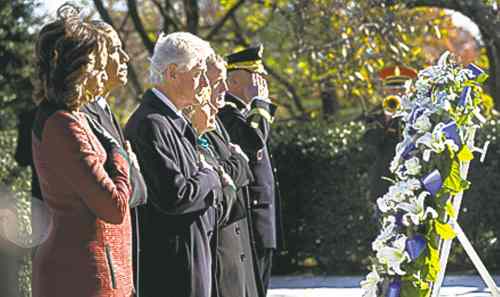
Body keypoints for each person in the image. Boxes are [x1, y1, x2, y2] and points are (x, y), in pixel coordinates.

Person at [31, 7, 134, 297]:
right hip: (82, 276)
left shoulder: (76, 117)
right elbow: (114, 207)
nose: (104, 70)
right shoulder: (62, 126)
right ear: (80, 67)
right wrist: (120, 155)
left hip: (102, 271)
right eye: (99, 61)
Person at [125, 32, 221, 297]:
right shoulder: (151, 124)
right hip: (173, 270)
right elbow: (175, 197)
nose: (204, 83)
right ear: (172, 73)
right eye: (198, 72)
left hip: (191, 258)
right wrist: (210, 175)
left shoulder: (170, 120)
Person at [80, 20, 148, 296]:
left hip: (122, 259)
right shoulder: (82, 113)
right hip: (102, 263)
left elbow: (141, 190)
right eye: (116, 51)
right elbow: (116, 195)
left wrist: (130, 170)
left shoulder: (105, 110)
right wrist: (129, 166)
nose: (125, 58)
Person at [218, 44, 283, 294]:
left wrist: (258, 105)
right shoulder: (227, 113)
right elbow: (253, 139)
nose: (262, 83)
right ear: (233, 81)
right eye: (255, 78)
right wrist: (260, 103)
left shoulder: (248, 113)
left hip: (262, 218)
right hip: (251, 217)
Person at [203, 54, 262, 297]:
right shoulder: (226, 113)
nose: (224, 88)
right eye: (218, 82)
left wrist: (235, 165)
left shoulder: (217, 119)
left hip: (241, 226)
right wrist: (261, 104)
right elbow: (250, 148)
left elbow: (241, 169)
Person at [363, 65, 418, 202]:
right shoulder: (374, 115)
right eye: (392, 89)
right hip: (383, 182)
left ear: (409, 90)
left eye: (401, 90)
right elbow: (370, 143)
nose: (397, 93)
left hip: (411, 179)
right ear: (385, 91)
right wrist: (387, 119)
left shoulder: (417, 113)